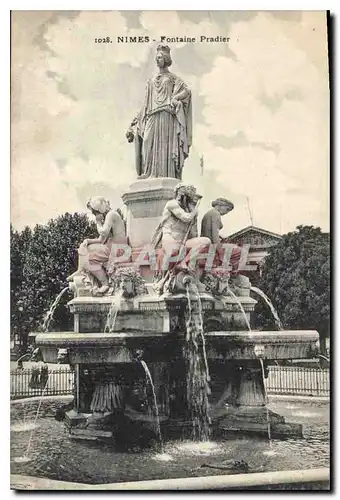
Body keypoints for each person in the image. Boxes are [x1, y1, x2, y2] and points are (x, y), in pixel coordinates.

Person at [126, 44, 192, 180]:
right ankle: (148, 172)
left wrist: (175, 97)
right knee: (147, 142)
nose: (158, 60)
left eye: (160, 57)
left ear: (166, 59)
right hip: (151, 115)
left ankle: (165, 174)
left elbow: (186, 91)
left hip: (166, 116)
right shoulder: (151, 81)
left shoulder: (172, 78)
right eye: (156, 57)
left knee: (164, 147)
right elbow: (144, 104)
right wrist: (133, 123)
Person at [67, 197, 127, 295]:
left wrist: (98, 222)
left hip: (118, 248)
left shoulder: (111, 215)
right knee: (84, 247)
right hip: (112, 246)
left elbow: (103, 231)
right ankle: (80, 269)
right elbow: (100, 240)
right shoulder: (108, 216)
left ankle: (105, 284)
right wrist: (87, 241)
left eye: (95, 212)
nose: (94, 214)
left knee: (90, 257)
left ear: (100, 209)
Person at [151, 183, 210, 271]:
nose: (193, 201)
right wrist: (194, 211)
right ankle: (163, 273)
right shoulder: (172, 204)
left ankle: (184, 262)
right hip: (170, 237)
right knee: (173, 251)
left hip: (183, 241)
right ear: (179, 194)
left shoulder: (189, 209)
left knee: (205, 241)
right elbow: (186, 218)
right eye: (188, 197)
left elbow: (193, 233)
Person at [201, 198, 241, 275]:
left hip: (207, 242)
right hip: (211, 245)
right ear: (220, 205)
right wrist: (221, 254)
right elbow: (215, 237)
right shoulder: (216, 214)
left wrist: (220, 237)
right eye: (227, 209)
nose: (227, 212)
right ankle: (233, 274)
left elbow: (209, 231)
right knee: (240, 250)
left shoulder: (209, 213)